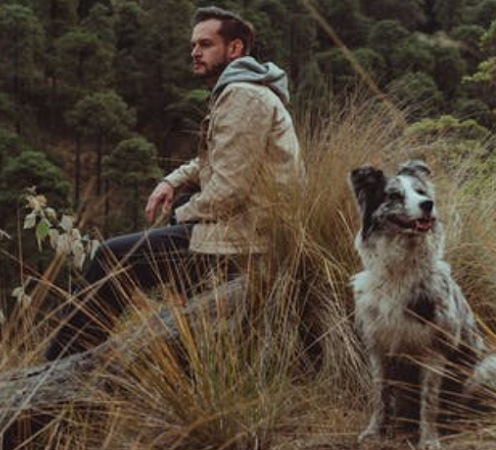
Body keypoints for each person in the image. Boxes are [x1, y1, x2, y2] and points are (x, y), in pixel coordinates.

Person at [44, 6, 303, 360]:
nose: (195, 52)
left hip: (247, 238)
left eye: (206, 44)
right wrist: (172, 181)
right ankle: (189, 351)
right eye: (193, 45)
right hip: (245, 230)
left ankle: (59, 369)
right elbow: (217, 160)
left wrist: (180, 217)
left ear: (235, 49)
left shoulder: (243, 97)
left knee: (112, 258)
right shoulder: (245, 90)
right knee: (171, 222)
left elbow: (228, 190)